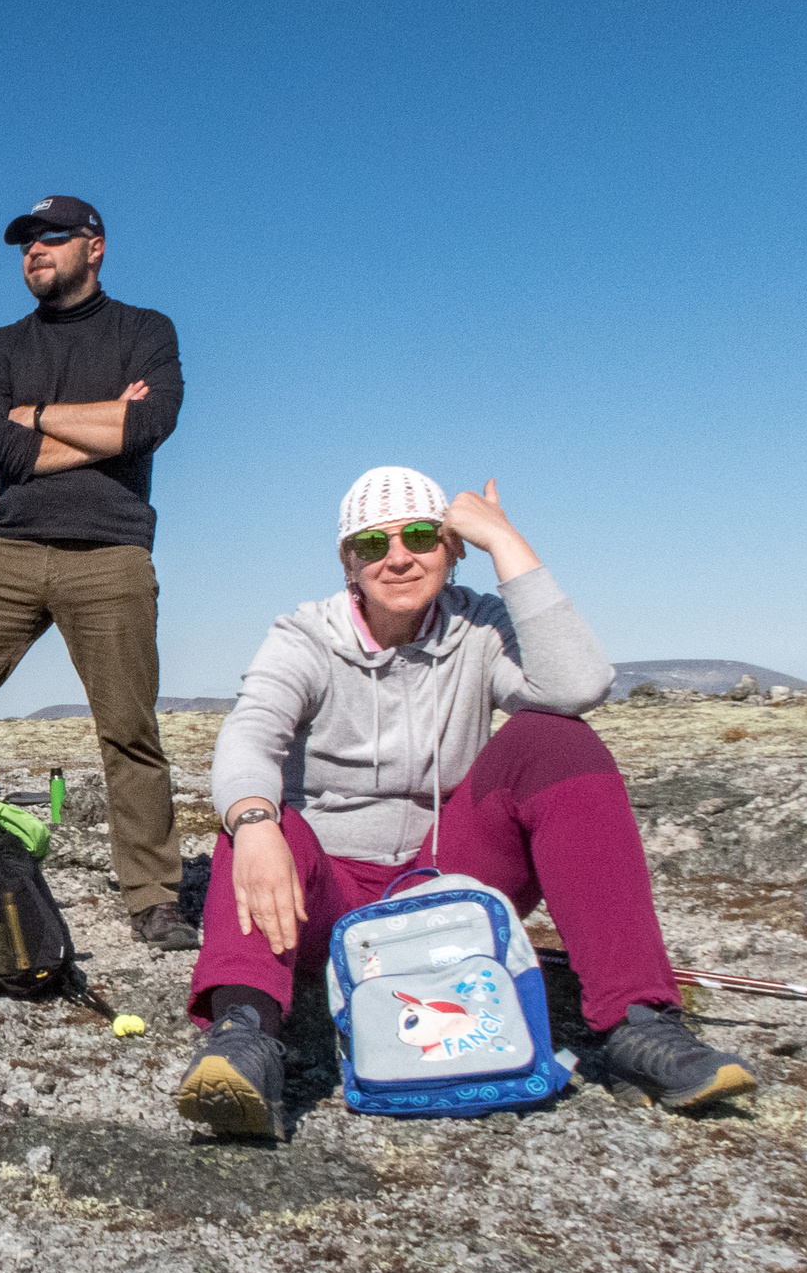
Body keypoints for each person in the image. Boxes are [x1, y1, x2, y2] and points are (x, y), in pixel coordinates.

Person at [177, 468, 757, 1136]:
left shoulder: (480, 627)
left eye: (422, 536)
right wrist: (252, 823)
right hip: (326, 893)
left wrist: (503, 538)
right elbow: (250, 733)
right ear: (349, 564)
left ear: (452, 551)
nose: (398, 557)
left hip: (443, 876)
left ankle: (639, 1025)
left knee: (556, 741)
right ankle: (245, 1040)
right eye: (372, 545)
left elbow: (579, 685)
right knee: (256, 820)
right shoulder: (306, 635)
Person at [0, 194, 196, 952]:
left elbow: (149, 425)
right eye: (25, 242)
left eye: (51, 237)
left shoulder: (146, 331)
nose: (34, 250)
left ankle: (153, 897)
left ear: (94, 246)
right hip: (6, 550)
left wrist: (33, 416)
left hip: (110, 552)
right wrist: (102, 427)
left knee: (129, 731)